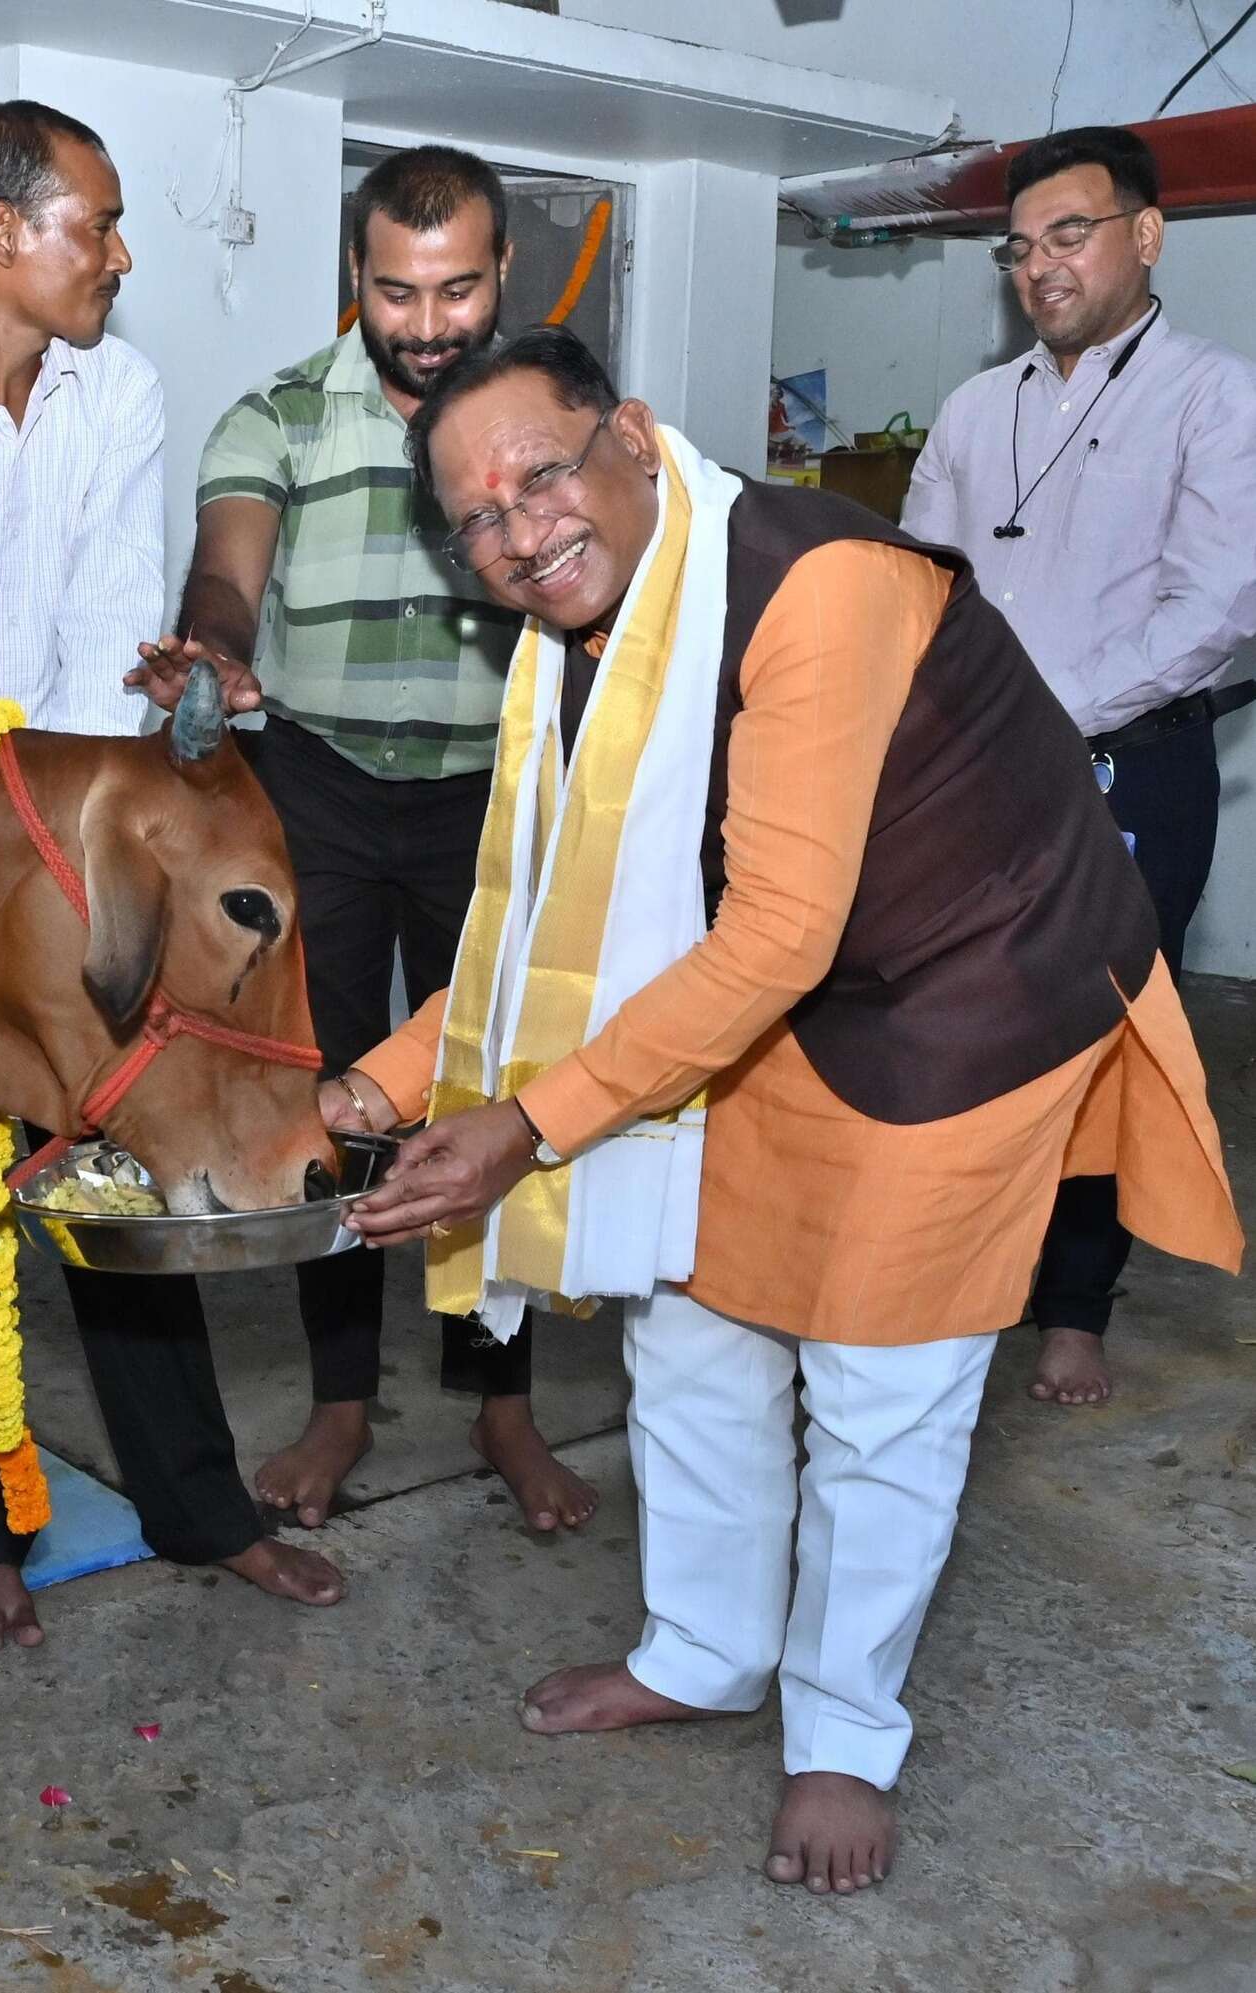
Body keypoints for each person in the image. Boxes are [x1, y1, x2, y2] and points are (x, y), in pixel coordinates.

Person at [288, 326, 1236, 1892]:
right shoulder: (582, 641)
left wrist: (529, 1126)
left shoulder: (820, 585)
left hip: (967, 989)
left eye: (541, 475)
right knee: (692, 1321)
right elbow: (548, 939)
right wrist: (367, 1090)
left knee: (882, 1378)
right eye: (478, 519)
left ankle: (846, 1732)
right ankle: (705, 1650)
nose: (521, 533)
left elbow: (781, 932)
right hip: (758, 995)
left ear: (633, 434)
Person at [0, 99, 344, 1651]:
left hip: (73, 863)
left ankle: (201, 1509)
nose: (119, 254)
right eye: (96, 222)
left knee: (122, 1191)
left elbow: (104, 645)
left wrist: (118, 796)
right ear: (0, 234)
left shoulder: (123, 395)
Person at [134, 146, 591, 1537]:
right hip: (317, 790)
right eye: (398, 292)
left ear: (503, 271)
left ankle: (501, 1399)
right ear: (356, 274)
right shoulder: (276, 416)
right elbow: (227, 570)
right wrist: (213, 646)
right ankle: (341, 1402)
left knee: (492, 1092)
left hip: (493, 796)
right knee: (325, 1101)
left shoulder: (551, 429)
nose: (429, 324)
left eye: (458, 290)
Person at [902, 125, 1256, 1409]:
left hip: (1132, 768)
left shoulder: (1213, 396)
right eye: (1017, 247)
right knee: (957, 1019)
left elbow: (1216, 607)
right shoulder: (973, 407)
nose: (1039, 265)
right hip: (968, 772)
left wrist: (1046, 713)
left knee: (1104, 1035)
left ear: (1145, 236)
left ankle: (1073, 1304)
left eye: (1069, 233)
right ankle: (964, 1263)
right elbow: (918, 584)